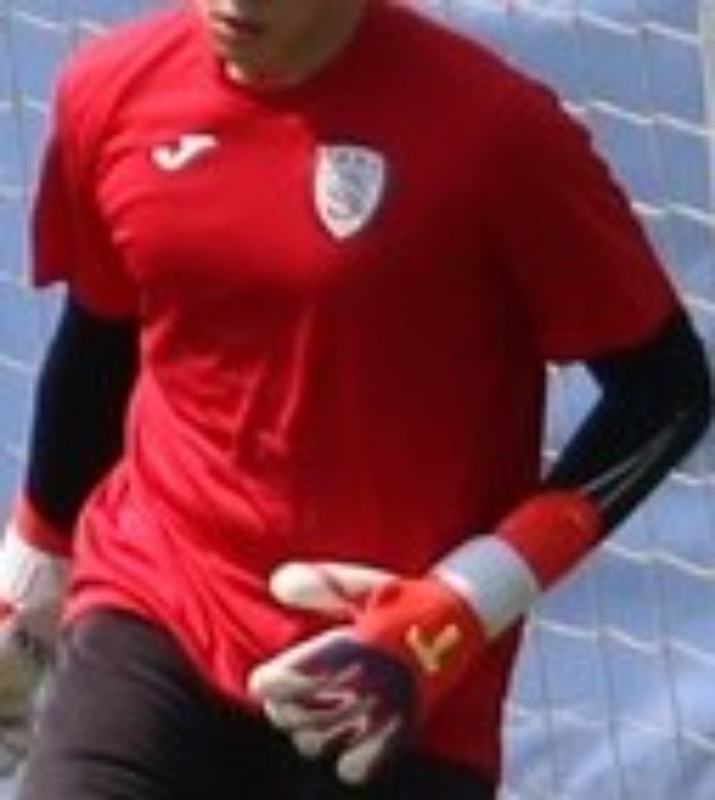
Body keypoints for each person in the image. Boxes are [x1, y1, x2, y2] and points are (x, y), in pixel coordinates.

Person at [0, 0, 710, 797]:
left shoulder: (496, 133)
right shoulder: (110, 89)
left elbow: (666, 392)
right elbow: (101, 341)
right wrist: (28, 581)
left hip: (394, 679)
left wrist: (459, 608)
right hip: (157, 607)